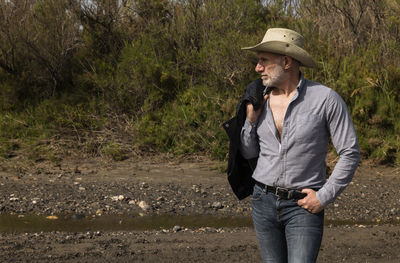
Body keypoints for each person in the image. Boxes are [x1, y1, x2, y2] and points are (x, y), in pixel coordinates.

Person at [226, 28, 360, 262]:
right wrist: (250, 120)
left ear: (286, 62)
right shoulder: (258, 99)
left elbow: (350, 153)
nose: (258, 68)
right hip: (262, 202)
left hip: (303, 206)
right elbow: (249, 152)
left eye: (263, 61)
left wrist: (323, 197)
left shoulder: (326, 99)